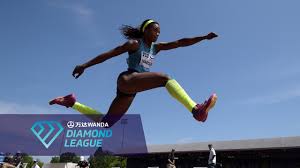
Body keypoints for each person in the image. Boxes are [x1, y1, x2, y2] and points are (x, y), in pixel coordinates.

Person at [49, 19, 218, 127]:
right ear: (145, 31)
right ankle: (196, 109)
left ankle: (71, 102)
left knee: (106, 124)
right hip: (127, 79)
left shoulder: (156, 48)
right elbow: (109, 54)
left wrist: (203, 37)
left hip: (131, 91)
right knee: (165, 78)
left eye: (159, 31)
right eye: (154, 30)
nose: (158, 33)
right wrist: (85, 65)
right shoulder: (135, 44)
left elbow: (181, 42)